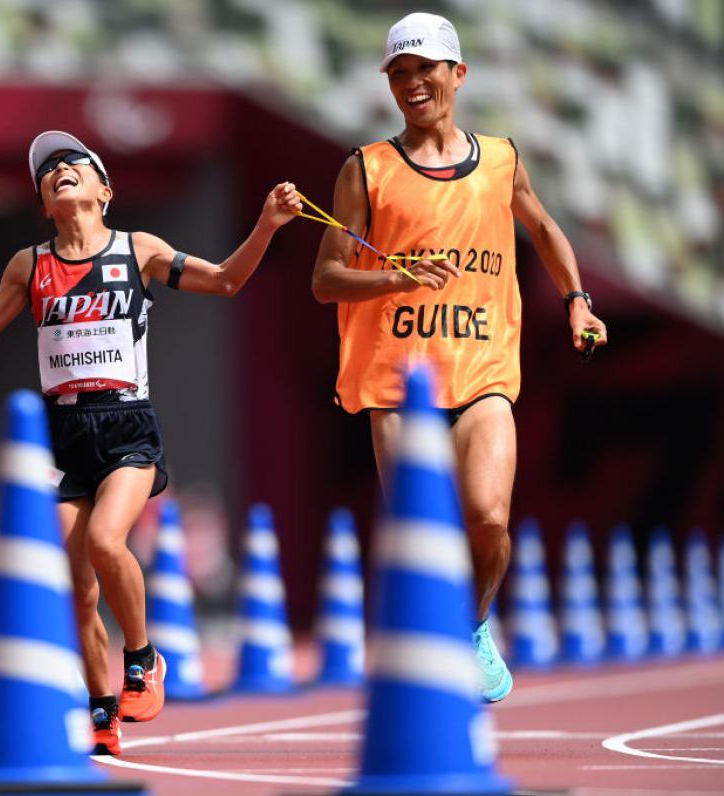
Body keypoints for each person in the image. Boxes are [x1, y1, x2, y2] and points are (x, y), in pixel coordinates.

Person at [0, 130, 300, 755]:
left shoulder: (136, 251)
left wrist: (269, 223)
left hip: (127, 427)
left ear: (104, 191)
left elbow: (225, 281)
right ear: (42, 202)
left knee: (104, 540)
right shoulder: (28, 265)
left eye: (74, 164)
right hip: (65, 435)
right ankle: (100, 710)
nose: (60, 170)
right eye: (48, 170)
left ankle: (143, 658)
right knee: (78, 588)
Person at [310, 13, 607, 703]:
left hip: (482, 372)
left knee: (490, 520)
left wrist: (578, 301)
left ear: (457, 75)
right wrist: (397, 277)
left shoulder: (500, 159)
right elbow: (325, 280)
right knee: (423, 534)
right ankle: (432, 636)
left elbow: (543, 226)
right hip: (397, 382)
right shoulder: (366, 170)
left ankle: (470, 628)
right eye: (399, 73)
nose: (412, 84)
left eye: (425, 70)